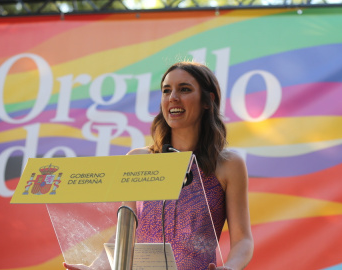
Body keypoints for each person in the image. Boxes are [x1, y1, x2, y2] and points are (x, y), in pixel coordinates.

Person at [64, 61, 253, 270]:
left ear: (208, 100)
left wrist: (230, 268)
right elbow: (124, 233)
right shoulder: (138, 160)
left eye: (184, 89)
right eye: (166, 90)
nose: (173, 97)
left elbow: (243, 239)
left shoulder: (228, 164)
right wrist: (94, 268)